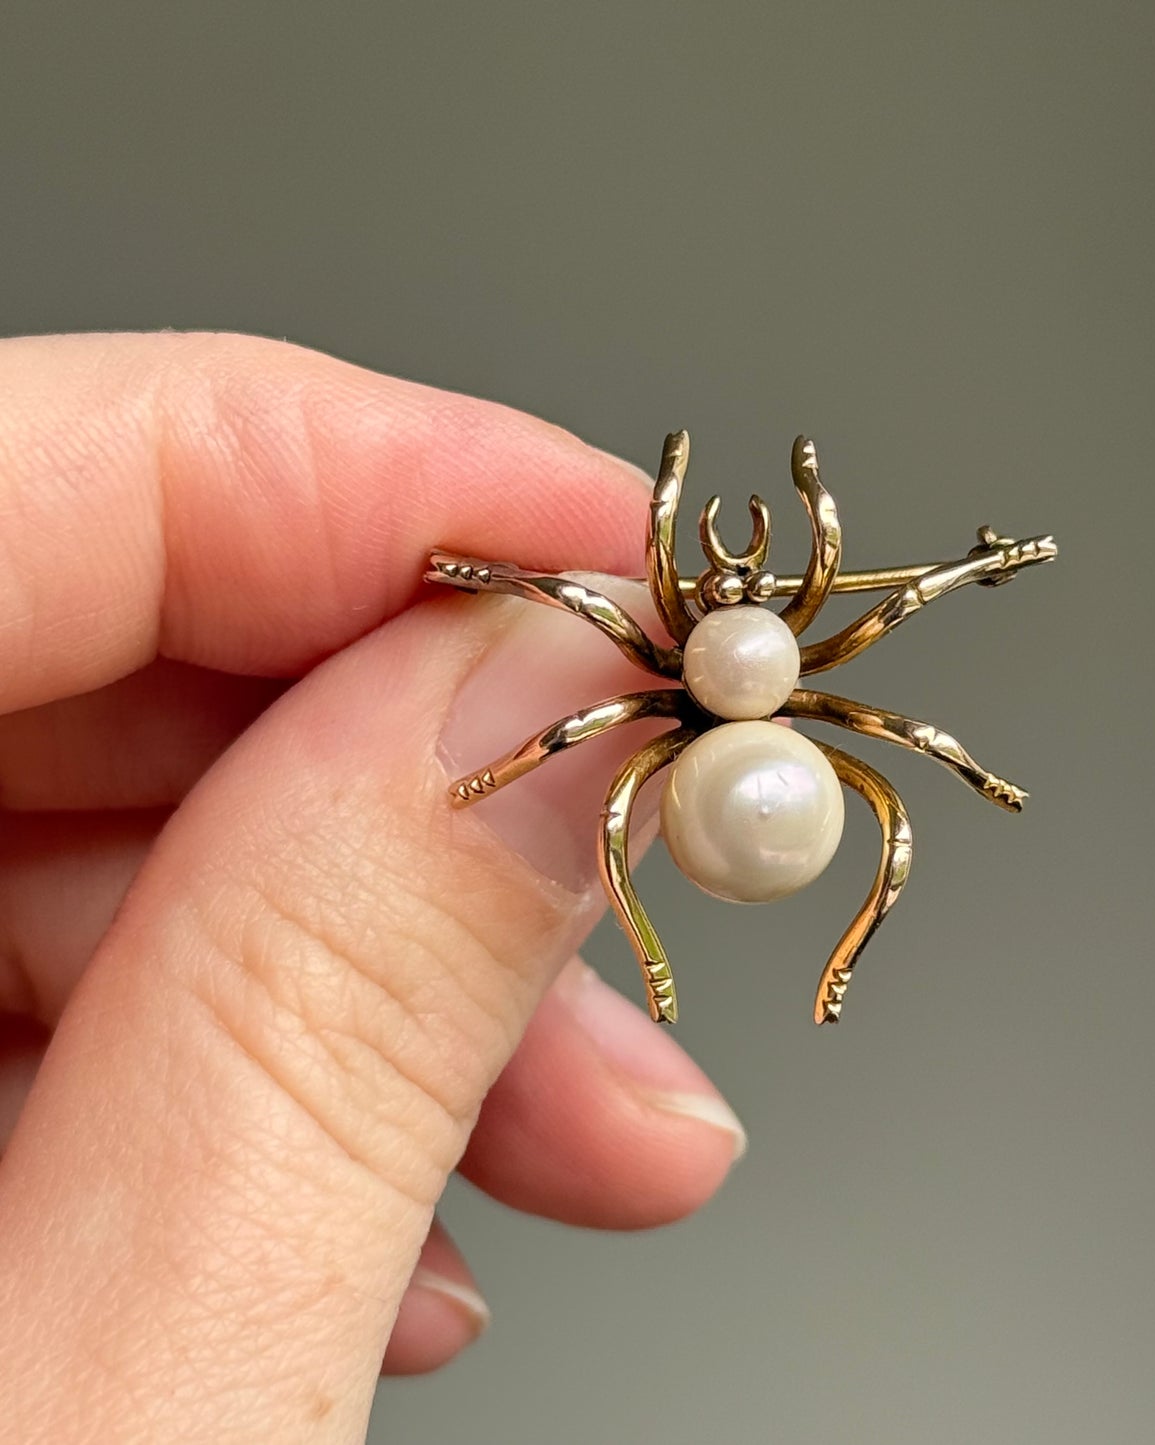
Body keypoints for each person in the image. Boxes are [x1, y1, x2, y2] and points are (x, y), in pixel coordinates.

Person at [0, 332, 746, 1441]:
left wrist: (487, 770)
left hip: (739, 805)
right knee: (601, 783)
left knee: (604, 778)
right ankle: (596, 887)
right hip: (736, 803)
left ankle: (569, 859)